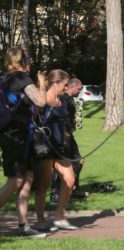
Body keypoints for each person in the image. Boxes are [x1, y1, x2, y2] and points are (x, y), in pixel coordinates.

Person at [0, 47, 47, 238]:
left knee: (27, 178)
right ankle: (22, 225)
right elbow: (41, 102)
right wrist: (42, 83)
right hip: (16, 136)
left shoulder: (5, 80)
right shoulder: (21, 78)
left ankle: (23, 226)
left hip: (13, 134)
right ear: (22, 62)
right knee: (16, 179)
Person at [33, 69, 78, 231]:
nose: (66, 88)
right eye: (64, 85)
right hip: (45, 147)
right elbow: (36, 112)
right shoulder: (43, 99)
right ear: (56, 83)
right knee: (43, 185)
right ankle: (40, 221)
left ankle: (59, 215)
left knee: (70, 179)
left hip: (60, 147)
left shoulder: (62, 100)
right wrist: (41, 85)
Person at [50, 78, 85, 204]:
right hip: (62, 136)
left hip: (69, 134)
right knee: (60, 165)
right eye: (80, 88)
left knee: (79, 161)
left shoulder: (70, 99)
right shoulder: (63, 99)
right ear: (72, 86)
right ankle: (55, 193)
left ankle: (73, 188)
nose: (81, 91)